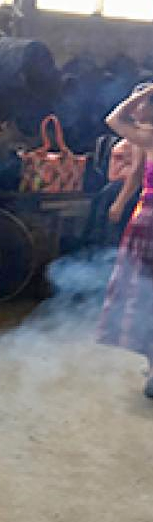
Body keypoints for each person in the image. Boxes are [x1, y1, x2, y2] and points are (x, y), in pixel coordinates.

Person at [100, 83, 153, 399]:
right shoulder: (146, 136)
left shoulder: (147, 136)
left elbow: (112, 119)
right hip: (146, 219)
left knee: (144, 295)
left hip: (149, 220)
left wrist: (140, 95)